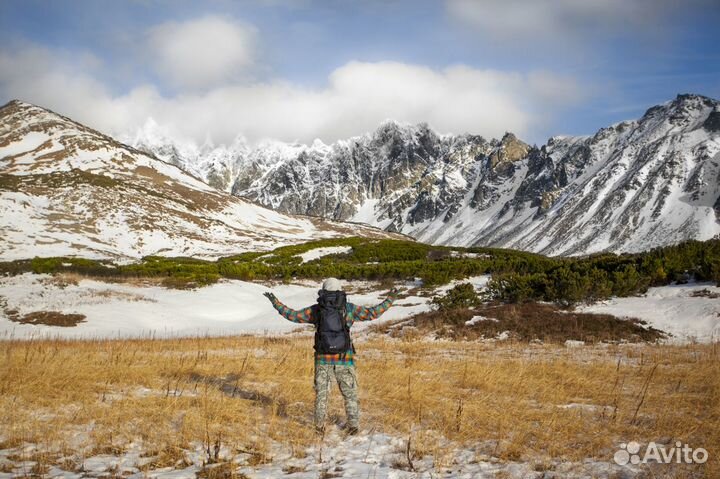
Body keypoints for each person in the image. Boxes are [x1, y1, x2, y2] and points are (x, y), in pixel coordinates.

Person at [263, 277, 397, 435]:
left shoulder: (317, 310)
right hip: (344, 360)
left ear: (323, 291)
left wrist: (275, 302)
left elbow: (292, 315)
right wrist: (391, 298)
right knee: (350, 394)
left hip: (322, 359)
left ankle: (319, 428)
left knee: (322, 395)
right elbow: (373, 313)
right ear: (340, 291)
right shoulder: (349, 309)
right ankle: (353, 427)